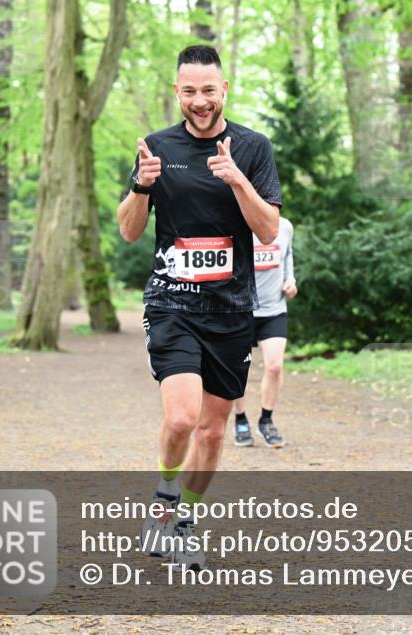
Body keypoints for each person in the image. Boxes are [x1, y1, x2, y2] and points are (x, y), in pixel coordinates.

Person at [117, 45, 282, 570]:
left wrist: (236, 179)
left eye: (208, 90)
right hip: (173, 303)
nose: (200, 101)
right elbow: (128, 231)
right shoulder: (156, 148)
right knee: (184, 418)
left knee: (212, 431)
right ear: (177, 92)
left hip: (233, 308)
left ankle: (186, 521)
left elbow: (269, 229)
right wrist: (142, 186)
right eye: (189, 91)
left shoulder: (253, 148)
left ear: (224, 89)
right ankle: (164, 503)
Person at [232, 217, 297, 448]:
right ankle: (240, 420)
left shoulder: (285, 226)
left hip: (274, 310)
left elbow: (287, 255)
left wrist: (290, 279)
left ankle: (266, 420)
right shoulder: (236, 224)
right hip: (240, 310)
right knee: (237, 371)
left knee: (274, 366)